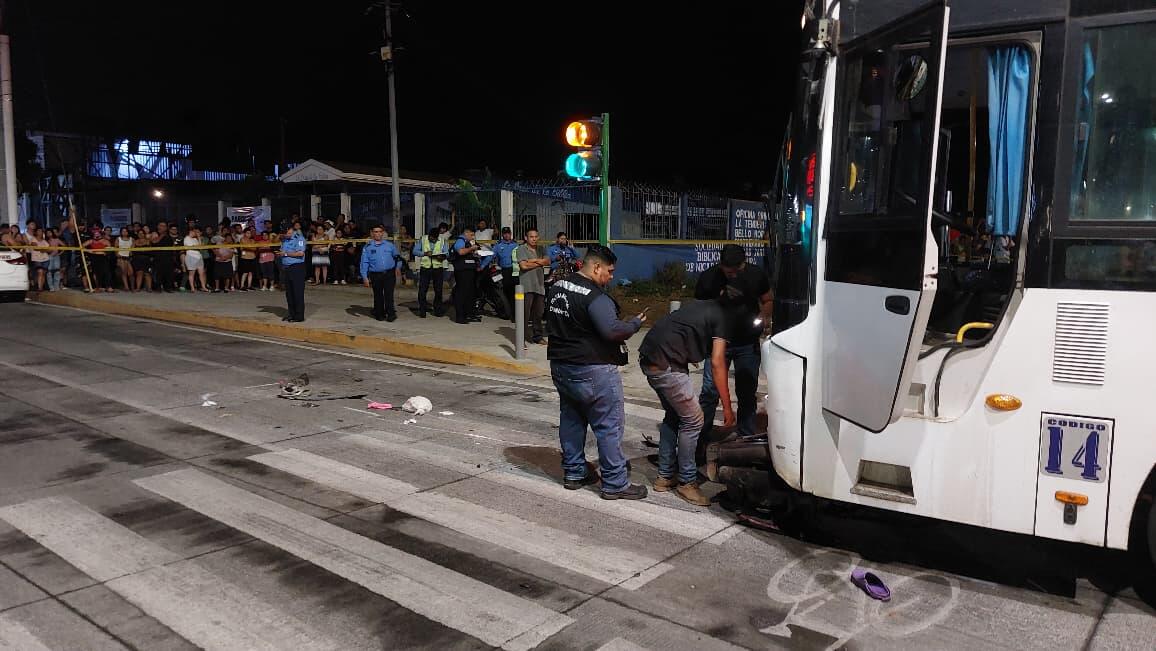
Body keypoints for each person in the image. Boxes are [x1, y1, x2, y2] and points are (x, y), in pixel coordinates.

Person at [546, 244, 648, 499]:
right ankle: (614, 483)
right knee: (608, 426)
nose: (611, 277)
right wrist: (634, 324)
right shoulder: (595, 297)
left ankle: (574, 472)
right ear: (595, 267)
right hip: (593, 369)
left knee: (571, 420)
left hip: (561, 366)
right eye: (609, 271)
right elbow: (613, 330)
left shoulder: (559, 286)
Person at [639, 298, 735, 505]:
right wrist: (727, 407)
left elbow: (682, 333)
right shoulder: (724, 318)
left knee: (674, 416)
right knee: (693, 421)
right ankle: (687, 482)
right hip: (667, 367)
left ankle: (665, 476)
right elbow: (718, 362)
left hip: (650, 359)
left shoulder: (702, 306)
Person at [694, 244, 772, 444]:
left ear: (743, 265)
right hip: (718, 341)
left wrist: (764, 316)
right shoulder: (709, 278)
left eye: (736, 271)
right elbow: (698, 307)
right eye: (728, 271)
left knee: (746, 391)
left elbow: (768, 299)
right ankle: (703, 437)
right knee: (710, 391)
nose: (732, 275)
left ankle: (746, 436)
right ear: (721, 265)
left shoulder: (755, 275)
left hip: (747, 342)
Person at [513, 229, 550, 345]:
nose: (534, 239)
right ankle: (521, 339)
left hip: (539, 285)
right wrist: (540, 262)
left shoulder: (541, 249)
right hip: (526, 286)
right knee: (524, 314)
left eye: (536, 237)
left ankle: (537, 336)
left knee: (538, 313)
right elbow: (523, 266)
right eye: (531, 237)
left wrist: (533, 260)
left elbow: (547, 261)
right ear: (526, 238)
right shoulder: (521, 249)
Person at [360, 224, 403, 322]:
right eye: (375, 232)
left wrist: (398, 267)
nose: (378, 234)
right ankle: (379, 313)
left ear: (382, 233)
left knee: (389, 294)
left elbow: (398, 257)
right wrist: (364, 277)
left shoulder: (389, 245)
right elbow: (364, 263)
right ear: (372, 233)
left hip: (389, 273)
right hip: (375, 275)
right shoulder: (367, 247)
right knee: (378, 295)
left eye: (380, 232)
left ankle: (391, 314)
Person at [414, 226, 447, 318]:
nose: (432, 240)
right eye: (431, 238)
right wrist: (424, 253)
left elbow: (446, 253)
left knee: (438, 290)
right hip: (426, 267)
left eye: (434, 239)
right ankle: (422, 310)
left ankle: (438, 310)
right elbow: (415, 251)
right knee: (422, 290)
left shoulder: (442, 240)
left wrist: (442, 256)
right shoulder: (423, 239)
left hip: (437, 267)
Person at [277, 220, 307, 322]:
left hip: (297, 268)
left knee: (297, 292)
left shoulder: (299, 238)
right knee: (289, 293)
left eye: (287, 232)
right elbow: (283, 250)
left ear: (291, 229)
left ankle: (299, 316)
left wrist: (285, 254)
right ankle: (291, 313)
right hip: (286, 268)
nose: (286, 235)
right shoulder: (285, 239)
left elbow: (300, 253)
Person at [451, 227, 481, 324]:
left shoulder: (470, 242)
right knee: (462, 293)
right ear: (466, 233)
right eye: (471, 235)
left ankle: (468, 314)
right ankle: (460, 316)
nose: (473, 237)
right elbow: (461, 251)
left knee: (469, 293)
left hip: (470, 270)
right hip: (462, 271)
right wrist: (471, 248)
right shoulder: (460, 241)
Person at [492, 227, 519, 323]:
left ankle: (516, 314)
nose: (507, 235)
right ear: (502, 235)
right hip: (504, 271)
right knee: (507, 293)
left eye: (508, 233)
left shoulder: (516, 245)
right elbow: (492, 255)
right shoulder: (498, 246)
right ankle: (509, 313)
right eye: (505, 233)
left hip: (515, 271)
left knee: (515, 293)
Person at [183, 227, 207, 292]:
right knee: (191, 274)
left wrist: (199, 238)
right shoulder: (187, 238)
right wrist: (198, 246)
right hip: (191, 257)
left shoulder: (195, 239)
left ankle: (203, 287)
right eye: (195, 232)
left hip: (199, 257)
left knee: (201, 273)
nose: (196, 233)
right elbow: (194, 247)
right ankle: (192, 288)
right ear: (190, 232)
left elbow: (201, 247)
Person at [132, 227, 154, 292]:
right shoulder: (135, 242)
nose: (141, 234)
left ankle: (149, 288)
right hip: (137, 259)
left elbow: (151, 251)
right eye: (139, 233)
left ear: (144, 234)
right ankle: (138, 288)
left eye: (142, 233)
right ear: (137, 234)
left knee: (147, 274)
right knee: (139, 273)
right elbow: (132, 251)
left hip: (146, 259)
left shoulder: (148, 241)